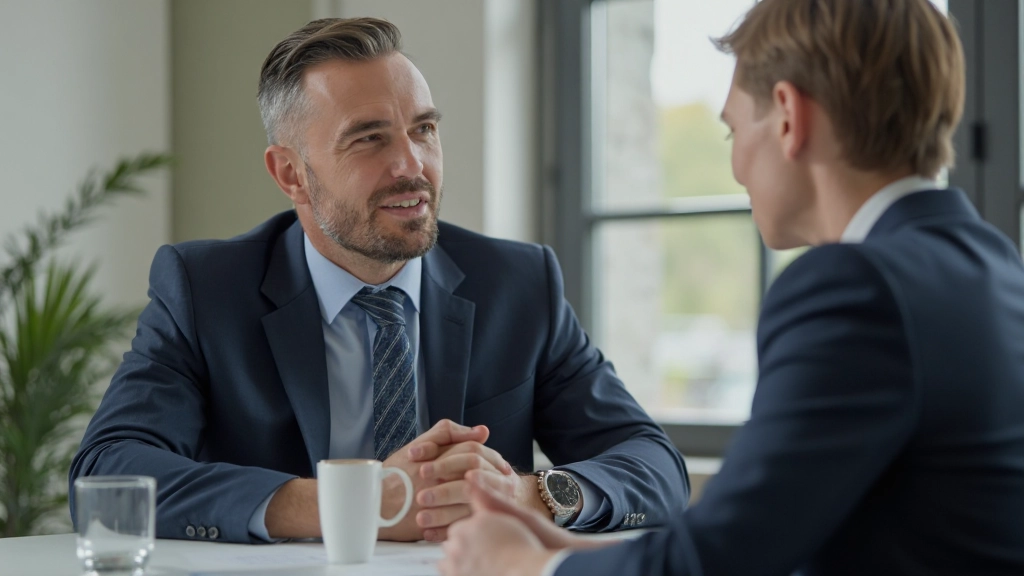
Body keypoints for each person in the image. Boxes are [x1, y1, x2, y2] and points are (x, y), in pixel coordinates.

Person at [438, 0, 1024, 574]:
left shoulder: (857, 288)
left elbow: (722, 560)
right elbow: (777, 534)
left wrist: (523, 567)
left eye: (733, 130)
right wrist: (560, 550)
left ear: (789, 117)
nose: (739, 165)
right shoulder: (991, 263)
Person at [68, 18, 689, 545]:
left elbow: (655, 466)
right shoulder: (205, 290)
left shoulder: (520, 284)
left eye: (423, 129)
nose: (411, 166)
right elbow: (106, 475)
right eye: (368, 139)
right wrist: (360, 505)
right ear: (290, 174)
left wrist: (531, 495)